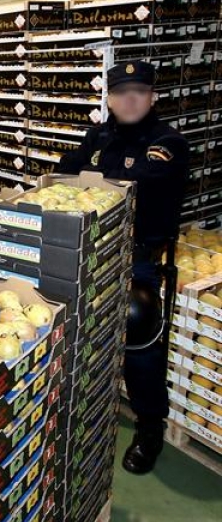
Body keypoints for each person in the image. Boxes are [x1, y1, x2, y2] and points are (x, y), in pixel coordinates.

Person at [58, 60, 189, 475]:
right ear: (109, 99)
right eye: (120, 92)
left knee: (139, 323)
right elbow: (62, 176)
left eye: (138, 91)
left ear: (153, 97)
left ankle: (150, 426)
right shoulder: (97, 137)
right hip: (86, 251)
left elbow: (144, 191)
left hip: (135, 258)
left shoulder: (167, 144)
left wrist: (89, 183)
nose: (129, 99)